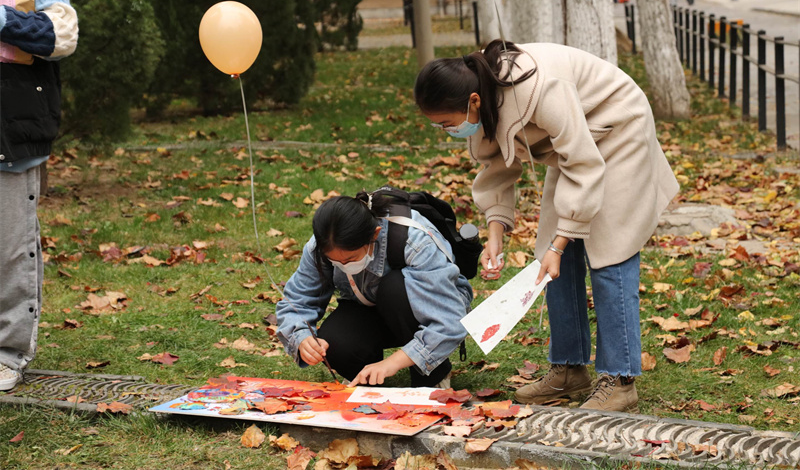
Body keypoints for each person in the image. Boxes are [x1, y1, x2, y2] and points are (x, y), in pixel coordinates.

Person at [413, 40, 679, 412]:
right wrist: (495, 235)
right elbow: (497, 165)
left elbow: (583, 164)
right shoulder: (479, 96)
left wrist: (560, 243)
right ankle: (569, 369)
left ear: (472, 101)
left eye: (445, 123)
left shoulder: (540, 88)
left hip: (616, 128)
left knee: (610, 250)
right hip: (572, 145)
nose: (445, 131)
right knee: (551, 261)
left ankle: (620, 381)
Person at [276, 191, 473, 388]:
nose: (344, 265)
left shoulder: (415, 241)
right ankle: (366, 377)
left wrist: (392, 363)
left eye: (351, 259)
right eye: (335, 261)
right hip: (368, 307)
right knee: (335, 340)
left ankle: (434, 375)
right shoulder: (321, 246)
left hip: (421, 308)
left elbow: (449, 320)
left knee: (393, 289)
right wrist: (302, 337)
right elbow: (297, 301)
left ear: (375, 234)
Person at [0, 0, 78, 391]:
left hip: (11, 134)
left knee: (10, 250)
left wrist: (3, 19)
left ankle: (7, 354)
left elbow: (61, 34)